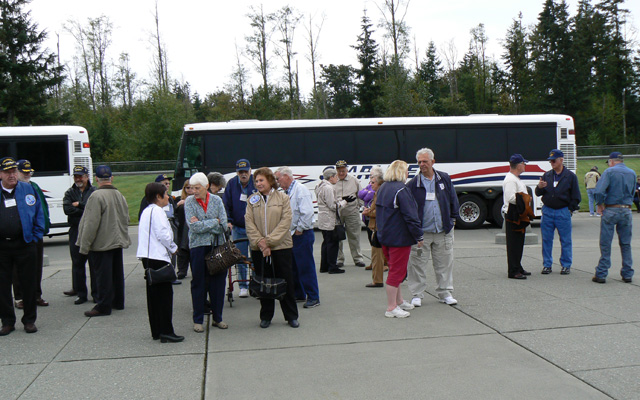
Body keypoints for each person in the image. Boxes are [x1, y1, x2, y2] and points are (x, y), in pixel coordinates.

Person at [245, 167, 299, 328]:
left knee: (286, 282)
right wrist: (261, 243)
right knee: (264, 282)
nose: (258, 183)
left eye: (261, 180)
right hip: (259, 249)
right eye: (256, 181)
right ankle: (266, 316)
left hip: (281, 247)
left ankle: (291, 316)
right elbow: (249, 223)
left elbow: (285, 222)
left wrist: (269, 242)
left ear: (270, 181)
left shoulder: (283, 198)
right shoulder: (252, 200)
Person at [406, 148, 460, 306]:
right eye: (420, 162)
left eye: (425, 161)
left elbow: (453, 200)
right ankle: (417, 294)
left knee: (444, 263)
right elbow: (409, 209)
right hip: (422, 233)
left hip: (443, 231)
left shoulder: (444, 179)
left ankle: (445, 293)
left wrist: (453, 220)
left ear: (433, 162)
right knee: (417, 264)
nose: (422, 164)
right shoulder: (413, 185)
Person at [77, 165, 131, 317]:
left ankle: (104, 305)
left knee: (103, 275)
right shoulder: (119, 195)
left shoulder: (96, 196)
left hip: (102, 243)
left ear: (96, 179)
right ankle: (118, 301)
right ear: (111, 178)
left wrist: (84, 245)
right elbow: (126, 218)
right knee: (117, 274)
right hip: (117, 240)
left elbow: (91, 223)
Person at [0, 157, 44, 336]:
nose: (12, 175)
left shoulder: (28, 189)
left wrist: (35, 236)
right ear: (0, 174)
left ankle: (29, 320)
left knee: (28, 284)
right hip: (2, 247)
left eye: (14, 171)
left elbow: (39, 213)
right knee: (2, 286)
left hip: (25, 244)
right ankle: (7, 322)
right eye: (7, 172)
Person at [376, 160, 423, 318]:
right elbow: (411, 216)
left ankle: (399, 301)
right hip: (399, 238)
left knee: (395, 270)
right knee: (397, 272)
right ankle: (391, 307)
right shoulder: (401, 189)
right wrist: (419, 235)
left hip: (385, 236)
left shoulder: (383, 187)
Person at [137, 182, 184, 343]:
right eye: (165, 194)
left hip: (147, 256)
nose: (168, 197)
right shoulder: (158, 211)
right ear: (158, 196)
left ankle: (156, 330)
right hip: (158, 257)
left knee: (153, 296)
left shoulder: (146, 211)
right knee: (165, 296)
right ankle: (166, 330)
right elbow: (163, 234)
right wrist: (173, 247)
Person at [185, 172, 228, 332]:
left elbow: (223, 224)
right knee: (199, 283)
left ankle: (218, 318)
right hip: (198, 247)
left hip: (216, 246)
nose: (194, 191)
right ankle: (198, 319)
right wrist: (213, 222)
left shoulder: (217, 200)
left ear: (206, 187)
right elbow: (193, 227)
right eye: (191, 188)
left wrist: (204, 223)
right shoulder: (189, 202)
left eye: (197, 188)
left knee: (218, 283)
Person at [276, 166, 320, 308]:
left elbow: (307, 213)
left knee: (305, 266)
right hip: (293, 234)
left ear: (286, 176)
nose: (277, 182)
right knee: (294, 266)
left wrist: (300, 229)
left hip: (301, 234)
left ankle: (313, 296)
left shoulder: (300, 190)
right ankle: (299, 293)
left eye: (278, 178)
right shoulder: (288, 191)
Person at [535, 149, 581, 275]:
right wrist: (539, 187)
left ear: (561, 160)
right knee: (547, 239)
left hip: (562, 211)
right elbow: (538, 193)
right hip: (548, 211)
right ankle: (547, 265)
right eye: (550, 161)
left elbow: (576, 196)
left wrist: (569, 209)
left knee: (565, 240)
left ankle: (566, 265)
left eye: (554, 160)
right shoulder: (547, 175)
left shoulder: (570, 176)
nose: (552, 163)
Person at [592, 152, 636, 284]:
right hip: (626, 209)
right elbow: (633, 191)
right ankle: (627, 273)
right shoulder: (632, 173)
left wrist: (599, 204)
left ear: (611, 161)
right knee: (626, 243)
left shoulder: (609, 172)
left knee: (606, 243)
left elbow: (599, 191)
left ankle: (602, 273)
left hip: (611, 208)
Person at [12, 160, 50, 309]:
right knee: (17, 268)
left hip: (35, 234)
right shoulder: (14, 189)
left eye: (29, 172)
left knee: (37, 265)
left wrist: (43, 227)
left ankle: (36, 295)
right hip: (20, 235)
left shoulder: (34, 187)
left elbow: (42, 208)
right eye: (24, 172)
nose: (27, 175)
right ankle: (20, 297)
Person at [62, 166, 97, 304]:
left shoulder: (94, 192)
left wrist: (80, 205)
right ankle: (81, 294)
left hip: (91, 230)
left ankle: (96, 294)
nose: (78, 179)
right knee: (77, 263)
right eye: (76, 176)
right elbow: (67, 209)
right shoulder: (70, 192)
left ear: (87, 177)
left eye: (80, 176)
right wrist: (84, 208)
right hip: (75, 230)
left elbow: (94, 209)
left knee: (94, 264)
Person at [223, 159, 256, 298]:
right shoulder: (231, 184)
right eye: (240, 172)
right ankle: (243, 286)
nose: (243, 175)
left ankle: (255, 284)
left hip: (255, 228)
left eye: (245, 172)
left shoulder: (256, 181)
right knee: (241, 257)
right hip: (238, 227)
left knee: (256, 257)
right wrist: (229, 221)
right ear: (237, 173)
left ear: (250, 171)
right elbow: (226, 204)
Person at [502, 154, 534, 280]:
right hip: (513, 214)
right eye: (524, 163)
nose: (525, 165)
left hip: (519, 214)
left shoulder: (516, 178)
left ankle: (518, 266)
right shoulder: (510, 180)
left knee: (519, 242)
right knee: (514, 243)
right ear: (518, 165)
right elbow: (510, 197)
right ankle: (513, 270)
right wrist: (526, 199)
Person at [332, 160, 364, 268]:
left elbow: (361, 194)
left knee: (354, 236)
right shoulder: (333, 180)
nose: (341, 173)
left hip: (351, 211)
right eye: (339, 171)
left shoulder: (354, 180)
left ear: (347, 170)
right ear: (336, 170)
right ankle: (339, 259)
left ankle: (358, 258)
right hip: (337, 212)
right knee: (337, 237)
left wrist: (358, 206)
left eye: (343, 171)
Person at [315, 168, 347, 274]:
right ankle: (332, 266)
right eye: (336, 176)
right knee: (333, 243)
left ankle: (324, 266)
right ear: (331, 177)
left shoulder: (319, 185)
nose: (337, 178)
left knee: (326, 243)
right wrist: (344, 202)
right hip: (330, 219)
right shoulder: (328, 187)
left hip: (323, 218)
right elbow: (332, 206)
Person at [362, 173, 385, 287]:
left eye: (373, 182)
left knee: (377, 255)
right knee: (381, 255)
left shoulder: (380, 194)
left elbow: (381, 211)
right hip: (377, 227)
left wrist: (368, 213)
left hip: (378, 227)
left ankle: (377, 280)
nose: (370, 184)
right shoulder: (378, 193)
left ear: (379, 183)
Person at [358, 167, 383, 271]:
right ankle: (374, 262)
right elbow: (361, 194)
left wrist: (368, 193)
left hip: (375, 218)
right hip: (368, 218)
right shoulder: (371, 186)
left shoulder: (380, 190)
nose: (370, 180)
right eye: (370, 176)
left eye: (372, 177)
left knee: (378, 244)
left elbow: (367, 197)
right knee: (371, 241)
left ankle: (382, 264)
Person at [174, 180, 194, 279]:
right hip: (182, 228)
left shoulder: (196, 200)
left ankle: (194, 269)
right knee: (182, 249)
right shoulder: (178, 200)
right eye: (187, 188)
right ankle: (182, 270)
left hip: (193, 228)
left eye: (191, 187)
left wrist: (186, 202)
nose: (190, 190)